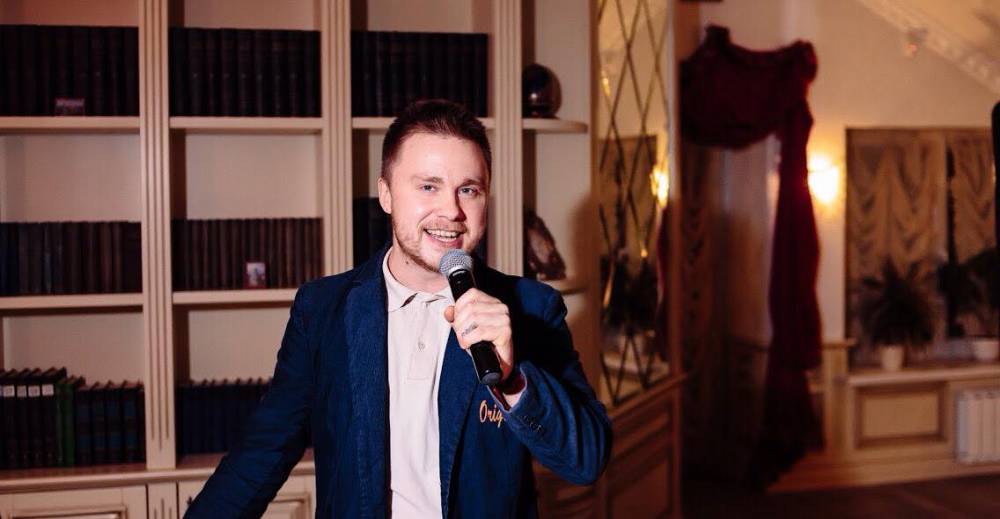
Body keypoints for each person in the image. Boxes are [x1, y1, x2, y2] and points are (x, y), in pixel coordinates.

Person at [186, 99, 612, 518]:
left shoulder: (531, 308)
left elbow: (587, 459)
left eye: (469, 190)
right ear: (386, 194)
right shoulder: (322, 311)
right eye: (428, 186)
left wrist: (513, 378)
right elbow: (260, 456)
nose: (452, 211)